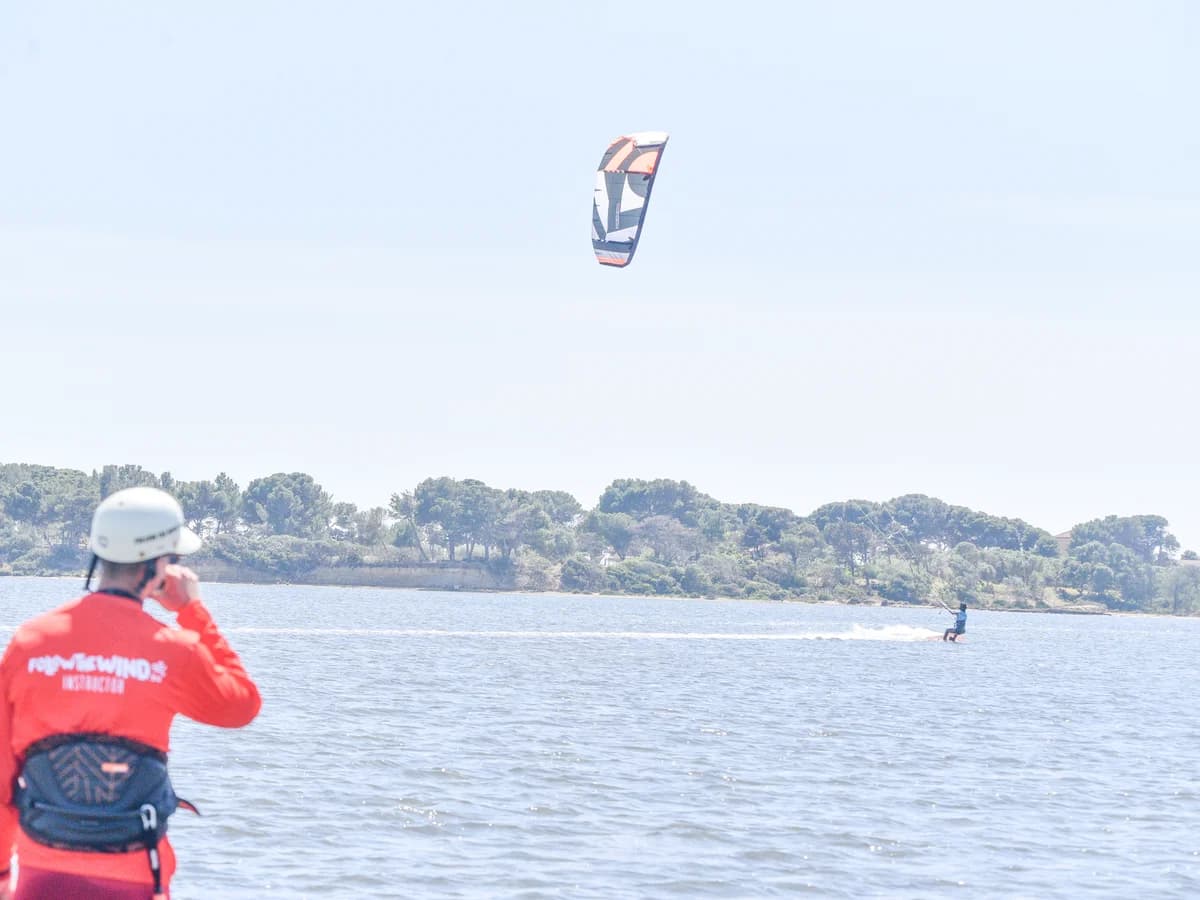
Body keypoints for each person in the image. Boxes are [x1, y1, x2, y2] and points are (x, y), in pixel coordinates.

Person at [0, 487, 262, 899]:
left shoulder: (30, 641)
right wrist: (191, 611)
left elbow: (2, 772)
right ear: (161, 565)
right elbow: (242, 706)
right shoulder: (175, 649)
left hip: (40, 873)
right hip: (134, 878)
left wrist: (1, 872)